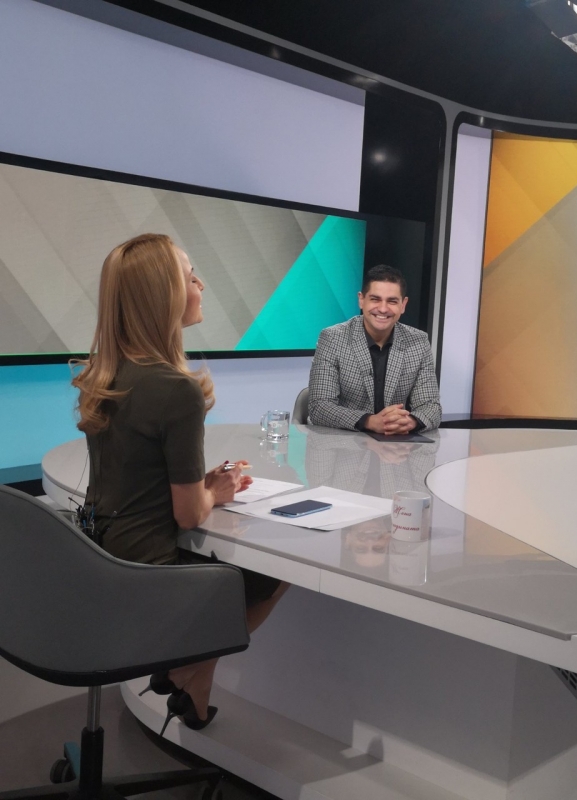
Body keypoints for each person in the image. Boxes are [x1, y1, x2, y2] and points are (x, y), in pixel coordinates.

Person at [72, 233, 287, 732]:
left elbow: (137, 477)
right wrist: (215, 492)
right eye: (190, 277)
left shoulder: (107, 374)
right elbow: (188, 515)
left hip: (101, 561)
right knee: (276, 573)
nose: (201, 285)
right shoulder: (177, 390)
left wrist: (203, 482)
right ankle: (191, 668)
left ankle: (193, 680)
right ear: (163, 295)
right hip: (152, 578)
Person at [308, 265, 441, 433]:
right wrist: (370, 421)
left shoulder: (418, 342)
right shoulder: (333, 338)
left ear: (403, 305)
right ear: (361, 300)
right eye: (375, 299)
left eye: (392, 301)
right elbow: (319, 407)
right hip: (344, 441)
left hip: (396, 443)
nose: (383, 309)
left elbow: (431, 407)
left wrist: (409, 422)